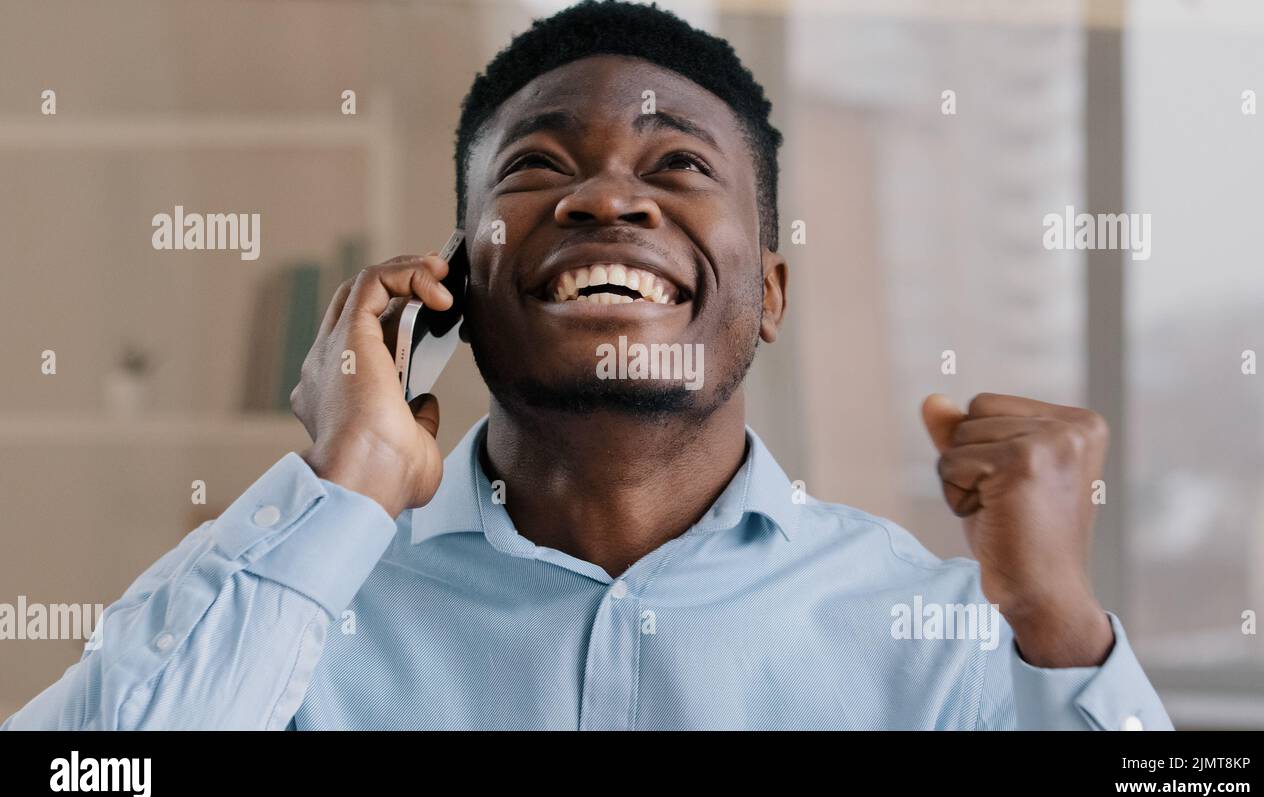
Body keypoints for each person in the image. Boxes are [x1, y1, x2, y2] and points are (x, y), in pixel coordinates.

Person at [3, 0, 1170, 730]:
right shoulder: (300, 595)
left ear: (766, 293)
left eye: (676, 166)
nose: (607, 194)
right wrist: (339, 487)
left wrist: (1062, 629)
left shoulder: (940, 635)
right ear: (457, 275)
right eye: (539, 163)